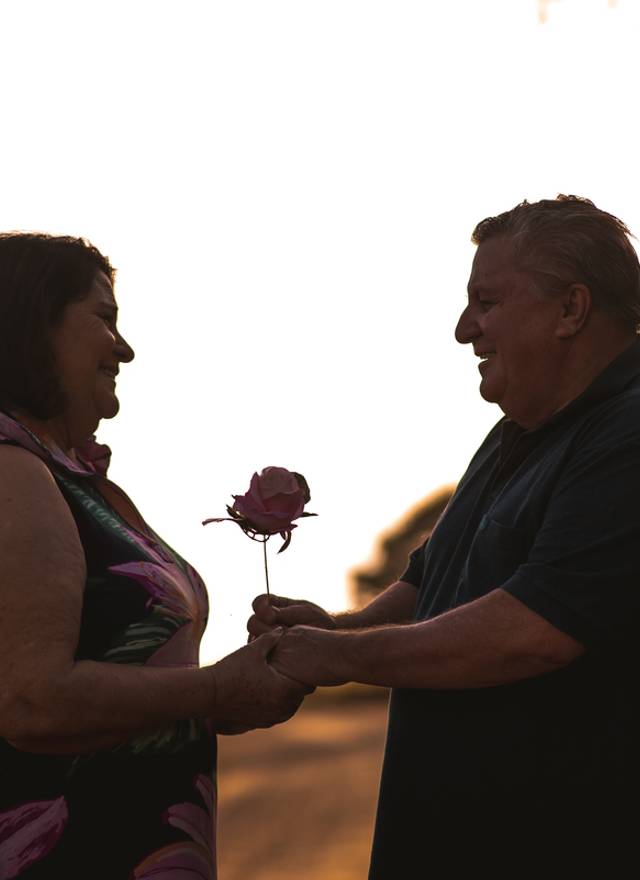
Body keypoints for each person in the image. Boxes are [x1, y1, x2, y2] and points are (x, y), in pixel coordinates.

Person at [248, 195, 640, 875]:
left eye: (486, 301)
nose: (465, 329)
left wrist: (337, 660)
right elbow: (431, 585)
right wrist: (341, 630)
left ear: (571, 311)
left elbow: (534, 630)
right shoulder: (515, 429)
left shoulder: (627, 434)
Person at [0, 233, 309, 879]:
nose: (126, 348)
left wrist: (217, 697)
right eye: (105, 318)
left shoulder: (68, 475)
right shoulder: (10, 468)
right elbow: (32, 701)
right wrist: (218, 687)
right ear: (30, 321)